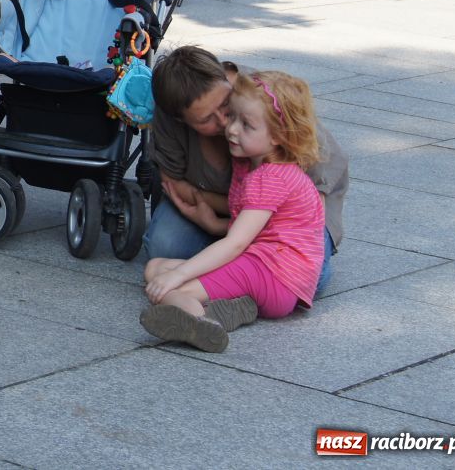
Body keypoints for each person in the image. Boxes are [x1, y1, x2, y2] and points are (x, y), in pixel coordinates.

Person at [141, 69, 327, 353]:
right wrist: (213, 224)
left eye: (247, 125)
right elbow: (246, 222)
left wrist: (178, 277)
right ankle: (231, 309)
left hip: (273, 273)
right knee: (154, 269)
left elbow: (237, 242)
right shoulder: (250, 164)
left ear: (278, 136)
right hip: (267, 271)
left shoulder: (271, 176)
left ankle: (198, 321)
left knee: (170, 290)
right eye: (234, 117)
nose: (231, 129)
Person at [146, 47, 345, 298]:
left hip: (292, 220)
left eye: (226, 107)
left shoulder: (262, 97)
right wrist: (213, 222)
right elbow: (174, 185)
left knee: (307, 279)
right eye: (206, 119)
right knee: (165, 246)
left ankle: (238, 277)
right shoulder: (170, 118)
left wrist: (223, 224)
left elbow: (320, 171)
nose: (224, 124)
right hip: (236, 215)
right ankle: (237, 275)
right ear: (181, 120)